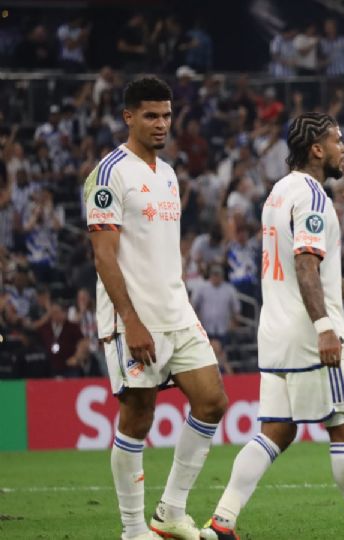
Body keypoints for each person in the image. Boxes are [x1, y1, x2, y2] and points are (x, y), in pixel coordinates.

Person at [199, 113, 344, 540]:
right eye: (338, 140)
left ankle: (222, 520)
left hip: (275, 332)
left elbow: (310, 269)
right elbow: (306, 265)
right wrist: (326, 326)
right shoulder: (312, 196)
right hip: (311, 334)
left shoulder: (279, 192)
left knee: (276, 430)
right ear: (317, 149)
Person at [85, 77, 228, 540]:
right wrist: (131, 320)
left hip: (177, 310)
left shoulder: (167, 174)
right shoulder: (110, 174)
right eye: (151, 115)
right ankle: (132, 530)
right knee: (139, 415)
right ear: (129, 117)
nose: (161, 124)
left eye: (166, 115)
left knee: (212, 401)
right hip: (134, 318)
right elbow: (104, 255)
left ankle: (170, 512)